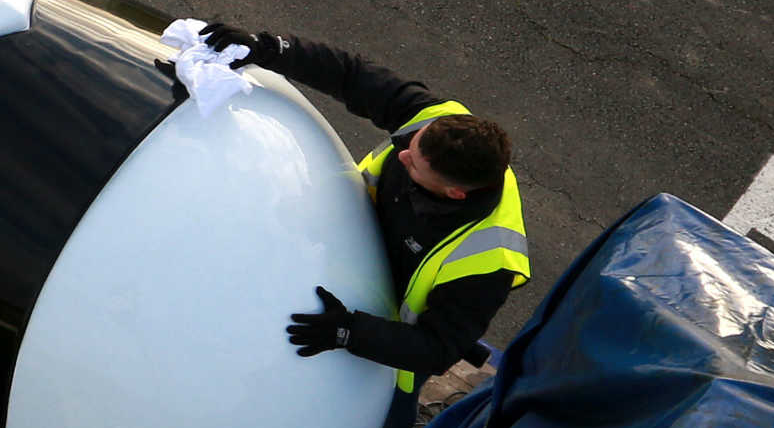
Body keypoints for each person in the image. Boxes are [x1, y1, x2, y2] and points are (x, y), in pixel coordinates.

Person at [199, 22, 528, 395]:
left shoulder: (486, 261)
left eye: (413, 164)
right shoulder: (435, 122)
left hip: (373, 344)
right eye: (411, 144)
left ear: (454, 194)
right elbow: (350, 75)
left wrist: (350, 332)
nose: (401, 154)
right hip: (337, 250)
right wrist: (271, 49)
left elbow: (436, 350)